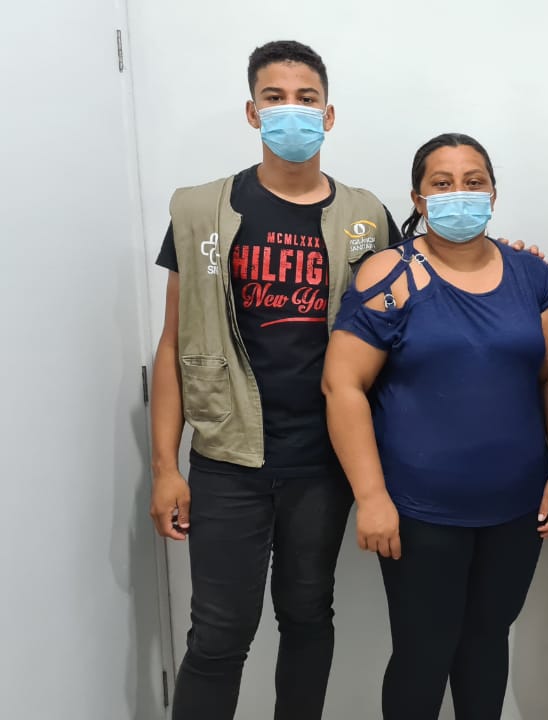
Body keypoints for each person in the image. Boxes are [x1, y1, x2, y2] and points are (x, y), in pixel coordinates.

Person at [147, 40, 398, 720]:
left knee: (308, 614)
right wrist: (165, 468)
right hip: (228, 459)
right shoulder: (201, 210)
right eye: (276, 98)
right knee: (219, 634)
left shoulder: (367, 216)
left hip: (322, 459)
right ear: (253, 112)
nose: (293, 110)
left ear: (330, 114)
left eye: (307, 98)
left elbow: (408, 313)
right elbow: (173, 345)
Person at [322, 132, 548, 720]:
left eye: (473, 181)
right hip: (420, 513)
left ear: (493, 193)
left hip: (515, 510)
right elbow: (342, 386)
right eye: (442, 183)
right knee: (424, 653)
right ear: (418, 198)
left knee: (487, 645)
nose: (459, 193)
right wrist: (371, 497)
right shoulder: (389, 275)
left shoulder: (531, 276)